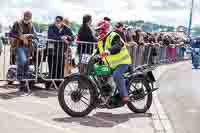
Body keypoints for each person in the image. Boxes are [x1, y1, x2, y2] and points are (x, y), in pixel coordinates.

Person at [95, 20, 132, 104]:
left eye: (99, 30)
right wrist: (92, 57)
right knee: (98, 71)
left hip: (123, 62)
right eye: (97, 30)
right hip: (111, 65)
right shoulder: (100, 41)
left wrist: (108, 51)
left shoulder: (113, 36)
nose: (98, 32)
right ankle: (106, 95)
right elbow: (97, 52)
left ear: (105, 29)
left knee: (117, 75)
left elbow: (117, 46)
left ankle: (124, 96)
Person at [9, 11, 36, 92]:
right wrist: (20, 37)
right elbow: (11, 34)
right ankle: (21, 79)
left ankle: (23, 83)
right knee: (22, 61)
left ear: (31, 17)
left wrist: (28, 36)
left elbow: (34, 35)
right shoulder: (17, 23)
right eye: (26, 16)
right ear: (24, 16)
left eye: (29, 17)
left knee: (26, 64)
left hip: (28, 47)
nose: (27, 18)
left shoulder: (31, 25)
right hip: (19, 46)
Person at [47, 16, 74, 84]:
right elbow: (51, 36)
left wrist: (67, 37)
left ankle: (59, 84)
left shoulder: (66, 28)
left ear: (62, 21)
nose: (57, 22)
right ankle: (51, 82)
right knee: (52, 67)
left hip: (61, 51)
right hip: (52, 50)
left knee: (60, 67)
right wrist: (61, 38)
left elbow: (72, 37)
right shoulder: (51, 27)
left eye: (59, 21)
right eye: (56, 20)